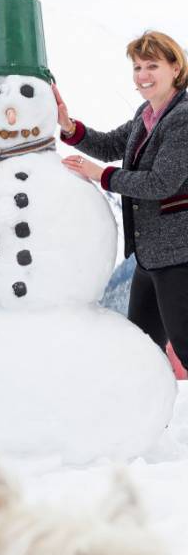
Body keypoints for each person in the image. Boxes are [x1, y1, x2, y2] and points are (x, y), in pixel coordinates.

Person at [56, 30, 188, 369]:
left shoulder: (183, 118)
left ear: (176, 68)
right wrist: (70, 127)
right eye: (137, 67)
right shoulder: (147, 114)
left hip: (180, 258)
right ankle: (147, 422)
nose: (142, 76)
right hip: (150, 259)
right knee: (141, 353)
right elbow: (111, 144)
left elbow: (162, 182)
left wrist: (100, 175)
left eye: (152, 66)